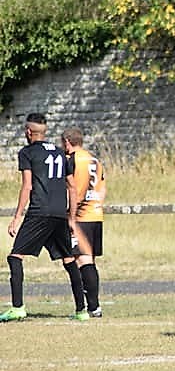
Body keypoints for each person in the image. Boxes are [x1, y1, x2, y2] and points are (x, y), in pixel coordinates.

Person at [1, 113, 86, 322]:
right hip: (59, 214)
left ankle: (18, 307)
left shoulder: (27, 153)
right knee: (69, 260)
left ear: (28, 132)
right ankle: (81, 311)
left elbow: (27, 186)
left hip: (39, 212)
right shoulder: (60, 153)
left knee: (15, 257)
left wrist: (17, 217)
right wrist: (72, 218)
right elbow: (72, 187)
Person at [61, 127, 105, 319]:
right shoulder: (95, 160)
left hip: (81, 217)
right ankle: (93, 306)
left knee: (83, 261)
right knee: (90, 261)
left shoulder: (73, 160)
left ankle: (93, 307)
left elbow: (73, 191)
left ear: (67, 142)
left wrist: (71, 217)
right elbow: (102, 188)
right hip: (96, 214)